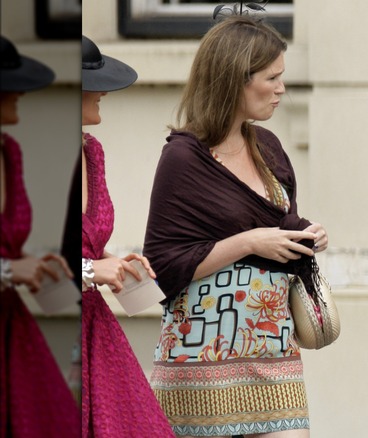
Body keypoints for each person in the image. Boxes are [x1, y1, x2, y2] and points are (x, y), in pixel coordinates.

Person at [143, 15, 328, 438]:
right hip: (202, 354)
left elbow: (279, 222)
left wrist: (308, 233)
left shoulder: (268, 146)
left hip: (272, 342)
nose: (282, 88)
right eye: (272, 78)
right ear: (235, 80)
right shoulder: (183, 159)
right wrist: (249, 242)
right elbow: (163, 261)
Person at [79, 35, 176, 437]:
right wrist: (88, 270)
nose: (102, 91)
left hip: (90, 324)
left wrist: (115, 264)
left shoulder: (91, 152)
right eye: (90, 82)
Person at [0, 35, 80, 437]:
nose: (20, 93)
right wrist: (8, 270)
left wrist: (33, 263)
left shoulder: (8, 151)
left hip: (10, 326)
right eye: (7, 84)